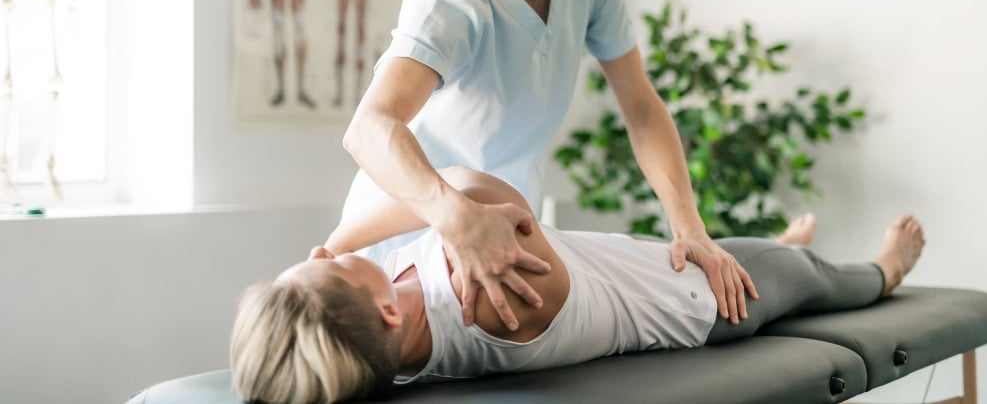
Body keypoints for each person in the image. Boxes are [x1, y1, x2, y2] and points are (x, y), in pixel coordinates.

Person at [339, 0, 757, 334]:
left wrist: (690, 228)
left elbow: (641, 108)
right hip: (412, 243)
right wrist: (454, 217)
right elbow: (369, 128)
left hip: (508, 234)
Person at [230, 168, 926, 404]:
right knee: (808, 278)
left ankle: (775, 245)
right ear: (383, 307)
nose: (324, 249)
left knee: (770, 255)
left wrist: (333, 265)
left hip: (631, 262)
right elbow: (465, 186)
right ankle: (882, 268)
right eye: (321, 261)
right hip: (697, 300)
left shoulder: (391, 335)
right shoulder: (494, 298)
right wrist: (346, 242)